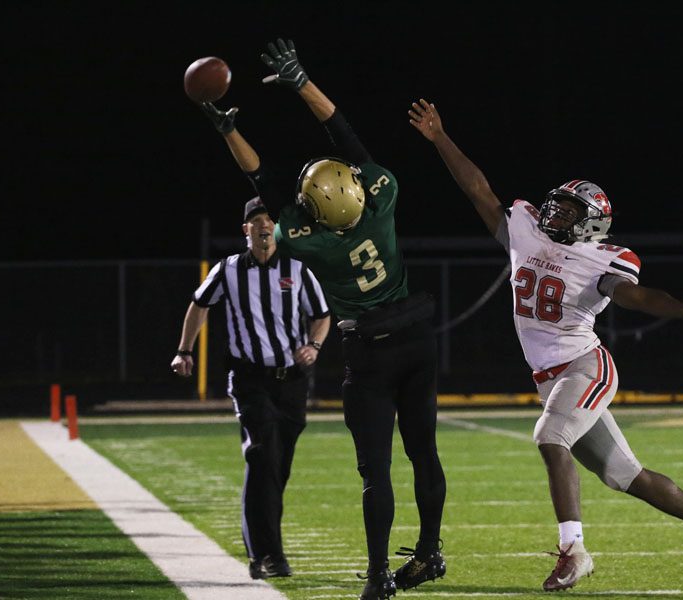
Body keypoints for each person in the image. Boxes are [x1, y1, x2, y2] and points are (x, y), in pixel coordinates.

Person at [407, 98, 683, 591]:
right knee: (626, 476)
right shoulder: (527, 233)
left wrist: (678, 308)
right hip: (550, 377)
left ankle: (573, 552)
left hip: (586, 367)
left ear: (590, 222)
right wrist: (440, 138)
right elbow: (478, 191)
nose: (555, 210)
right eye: (558, 202)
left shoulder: (600, 260)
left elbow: (632, 294)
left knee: (550, 439)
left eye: (569, 209)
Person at [198, 38, 448, 600]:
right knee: (424, 452)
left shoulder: (304, 241)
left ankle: (380, 575)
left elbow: (260, 180)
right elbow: (344, 133)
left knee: (375, 472)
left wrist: (228, 131)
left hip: (370, 353)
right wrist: (300, 79)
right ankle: (430, 548)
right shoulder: (381, 196)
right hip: (416, 337)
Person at [171, 197, 331, 580]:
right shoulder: (228, 270)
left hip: (291, 382)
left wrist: (314, 346)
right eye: (256, 220)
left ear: (276, 229)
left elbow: (322, 315)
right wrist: (184, 350)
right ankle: (268, 554)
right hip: (250, 379)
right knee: (262, 456)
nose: (263, 226)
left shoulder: (296, 269)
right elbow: (199, 304)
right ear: (245, 229)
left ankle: (262, 549)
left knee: (276, 468)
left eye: (269, 220)